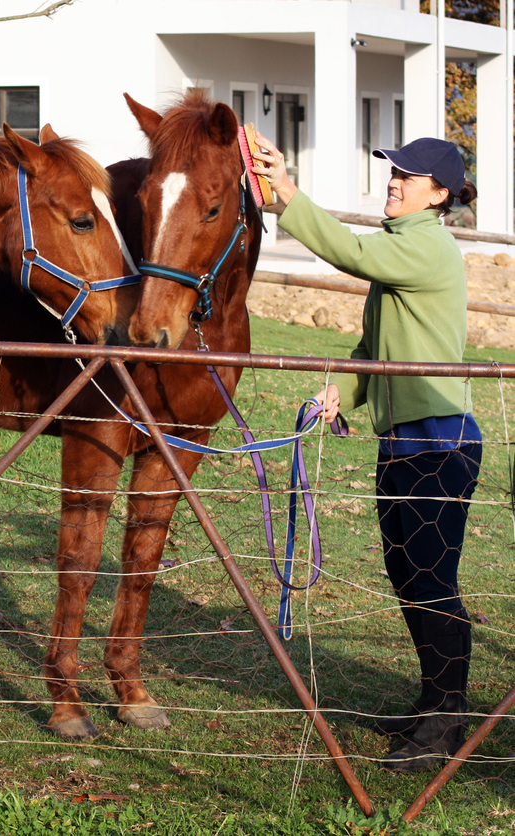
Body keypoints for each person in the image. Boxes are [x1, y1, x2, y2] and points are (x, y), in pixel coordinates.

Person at [250, 133, 481, 773]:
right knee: (410, 577)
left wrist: (287, 193)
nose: (394, 180)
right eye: (393, 171)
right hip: (404, 438)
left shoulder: (427, 246)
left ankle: (446, 719)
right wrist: (341, 392)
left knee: (432, 583)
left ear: (438, 195)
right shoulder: (404, 250)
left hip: (440, 440)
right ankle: (436, 700)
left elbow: (350, 252)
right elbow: (371, 350)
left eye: (408, 176)